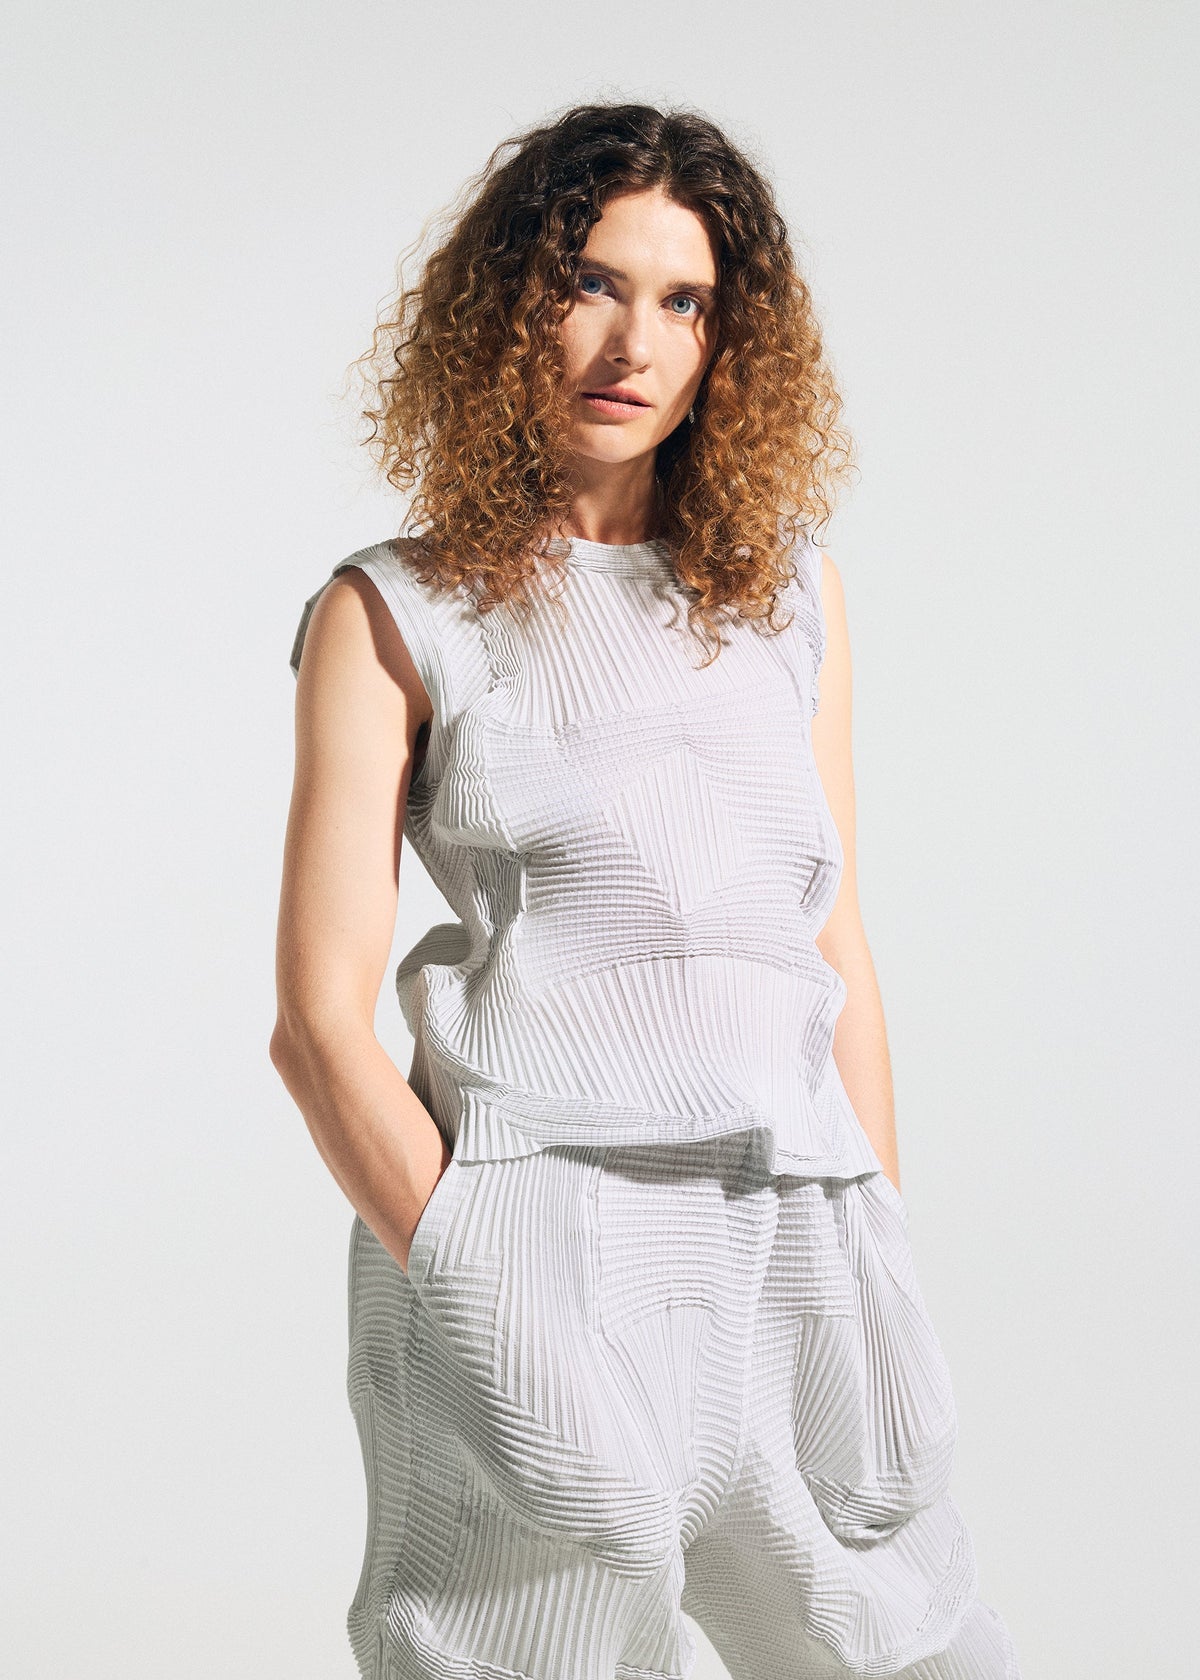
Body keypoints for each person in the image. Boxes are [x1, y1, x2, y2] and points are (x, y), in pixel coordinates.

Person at [271, 101, 1022, 1680]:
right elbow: (318, 1024)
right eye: (589, 283)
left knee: (905, 1645)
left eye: (684, 301)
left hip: (788, 1221)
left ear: (728, 342)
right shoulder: (397, 612)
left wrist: (873, 1218)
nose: (634, 341)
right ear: (505, 313)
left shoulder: (789, 595)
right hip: (538, 1226)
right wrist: (468, 1261)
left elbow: (833, 938)